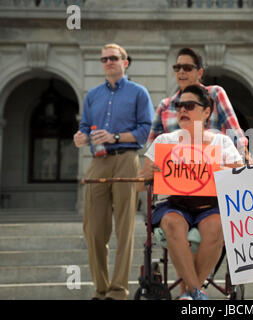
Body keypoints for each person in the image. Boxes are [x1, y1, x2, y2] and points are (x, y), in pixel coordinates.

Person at [137, 84, 243, 300]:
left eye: (189, 105)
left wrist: (218, 169)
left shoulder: (222, 142)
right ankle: (195, 292)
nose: (182, 110)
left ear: (206, 112)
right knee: (174, 223)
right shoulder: (165, 141)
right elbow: (140, 183)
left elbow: (240, 177)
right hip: (175, 204)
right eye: (179, 106)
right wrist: (153, 173)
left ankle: (189, 293)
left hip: (210, 206)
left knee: (217, 226)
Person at [73, 43, 154, 300]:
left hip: (126, 159)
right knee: (94, 230)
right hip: (98, 161)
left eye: (113, 58)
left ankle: (118, 291)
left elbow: (145, 131)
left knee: (124, 227)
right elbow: (85, 126)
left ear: (125, 62)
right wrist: (81, 137)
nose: (108, 62)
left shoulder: (139, 93)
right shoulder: (92, 95)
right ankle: (100, 289)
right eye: (104, 59)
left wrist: (115, 135)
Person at [148, 47, 247, 158]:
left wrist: (245, 161)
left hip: (212, 169)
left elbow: (235, 134)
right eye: (177, 68)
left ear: (200, 73)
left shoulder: (215, 93)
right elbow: (152, 146)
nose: (181, 71)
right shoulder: (165, 105)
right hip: (176, 171)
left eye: (187, 68)